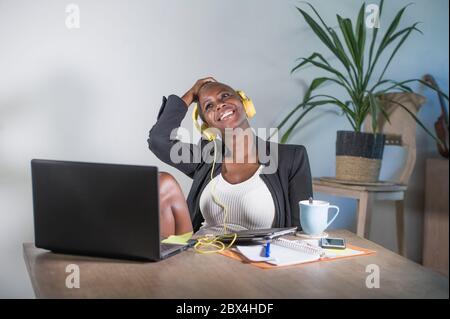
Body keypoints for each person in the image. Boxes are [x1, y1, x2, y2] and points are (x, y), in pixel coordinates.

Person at [148, 77, 313, 237]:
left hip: (253, 260)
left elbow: (299, 232)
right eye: (209, 106)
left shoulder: (290, 158)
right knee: (163, 182)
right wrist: (191, 93)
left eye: (225, 95)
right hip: (201, 254)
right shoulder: (206, 158)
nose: (219, 105)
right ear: (207, 126)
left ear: (244, 102)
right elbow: (159, 140)